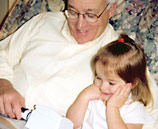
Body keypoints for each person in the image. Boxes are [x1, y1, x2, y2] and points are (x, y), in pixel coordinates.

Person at [0, 0, 157, 125]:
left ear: (111, 10)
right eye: (73, 12)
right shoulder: (44, 21)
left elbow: (152, 112)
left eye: (90, 15)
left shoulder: (121, 57)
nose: (80, 25)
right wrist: (4, 85)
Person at [66, 34, 154, 129]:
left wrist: (113, 108)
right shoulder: (95, 97)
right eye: (99, 78)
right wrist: (84, 97)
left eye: (111, 83)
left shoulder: (133, 107)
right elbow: (70, 124)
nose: (102, 87)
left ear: (132, 84)